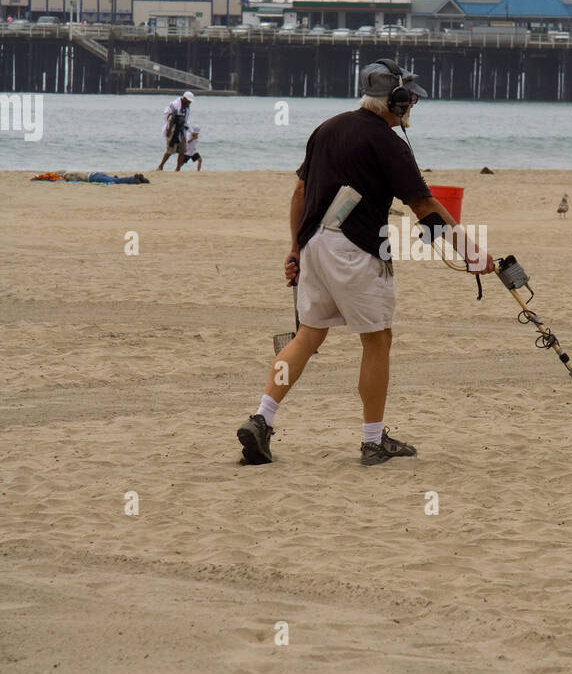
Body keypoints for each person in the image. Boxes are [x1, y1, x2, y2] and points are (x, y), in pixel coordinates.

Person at [236, 58, 496, 467]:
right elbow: (424, 205)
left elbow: (299, 193)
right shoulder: (387, 143)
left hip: (314, 245)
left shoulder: (326, 128)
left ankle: (261, 418)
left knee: (307, 336)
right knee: (377, 341)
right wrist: (472, 253)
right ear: (394, 100)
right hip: (355, 249)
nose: (413, 106)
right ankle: (373, 441)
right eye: (410, 99)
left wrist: (294, 249)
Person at [157, 91, 194, 171]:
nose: (189, 103)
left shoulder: (187, 108)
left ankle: (178, 168)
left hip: (182, 130)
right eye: (188, 101)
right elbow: (166, 115)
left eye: (190, 101)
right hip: (172, 130)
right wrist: (172, 124)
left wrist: (191, 130)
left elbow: (186, 120)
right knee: (170, 150)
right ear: (184, 98)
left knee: (182, 150)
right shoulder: (174, 104)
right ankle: (160, 166)